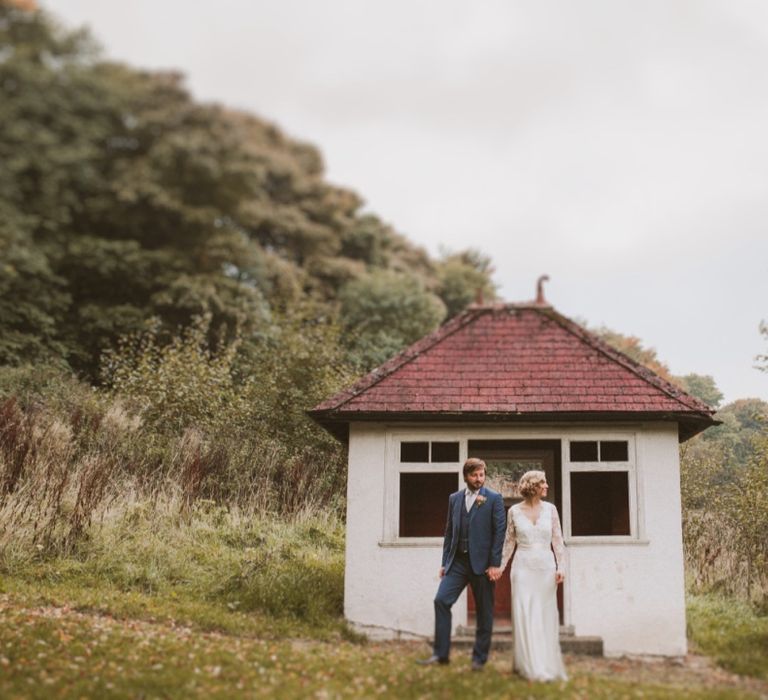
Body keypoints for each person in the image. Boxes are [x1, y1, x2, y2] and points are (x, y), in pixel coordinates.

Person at [418, 457, 506, 671]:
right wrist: (444, 562)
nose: (479, 479)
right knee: (441, 601)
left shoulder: (493, 499)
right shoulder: (454, 499)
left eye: (482, 475)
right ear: (466, 476)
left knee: (484, 612)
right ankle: (441, 654)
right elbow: (449, 532)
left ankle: (479, 659)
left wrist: (495, 564)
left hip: (483, 565)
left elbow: (499, 533)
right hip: (457, 562)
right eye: (475, 475)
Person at [495, 469, 568, 681]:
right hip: (523, 568)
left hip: (546, 568)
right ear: (533, 486)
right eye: (543, 483)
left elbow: (558, 541)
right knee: (525, 614)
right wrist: (500, 566)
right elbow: (509, 542)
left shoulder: (551, 510)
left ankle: (545, 663)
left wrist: (561, 567)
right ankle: (528, 664)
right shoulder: (514, 512)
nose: (546, 486)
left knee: (544, 615)